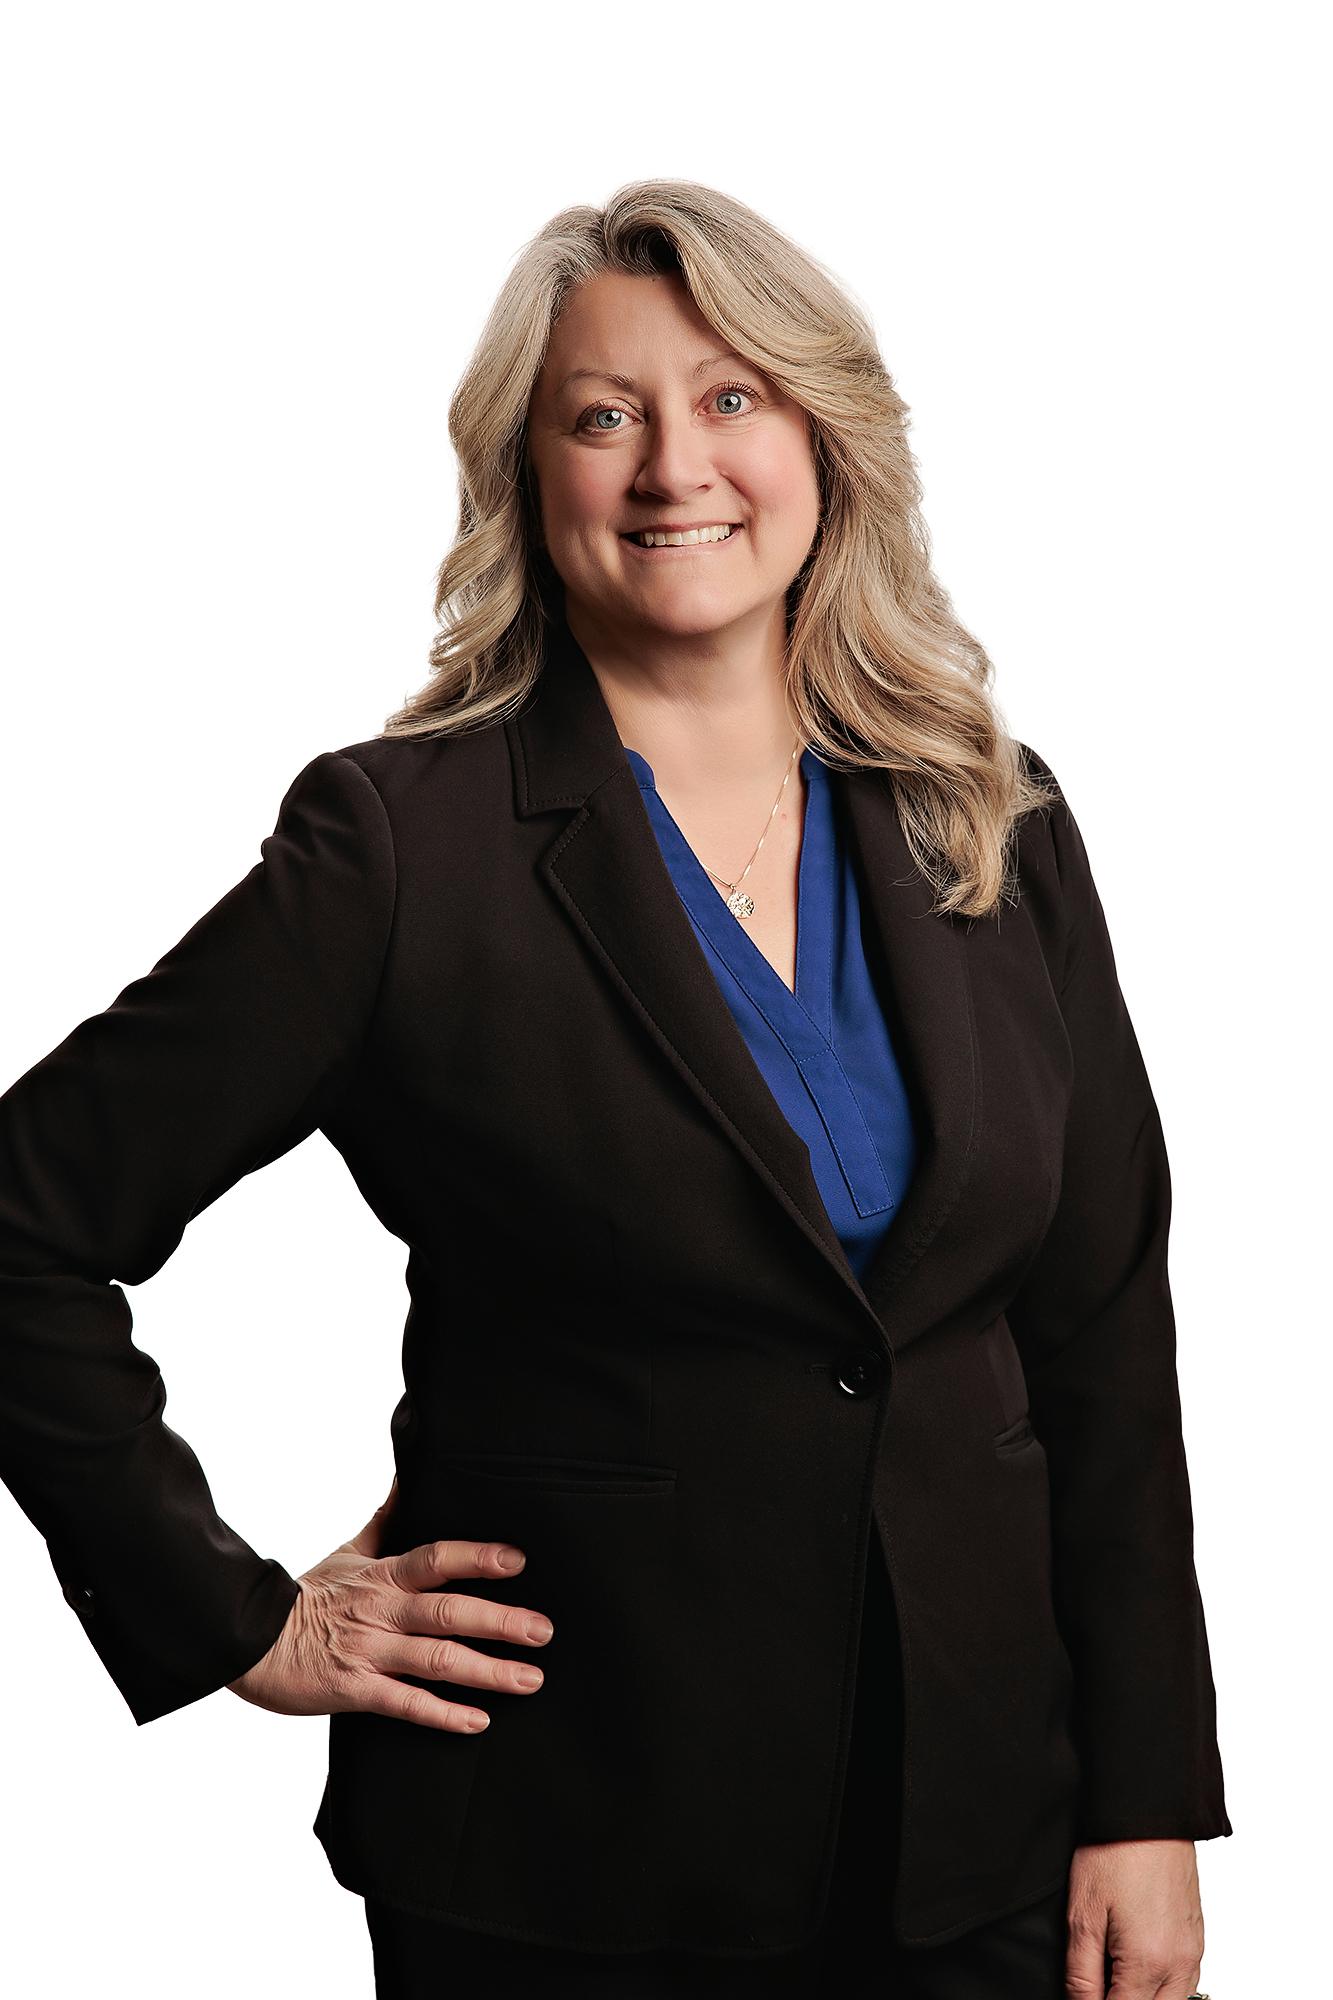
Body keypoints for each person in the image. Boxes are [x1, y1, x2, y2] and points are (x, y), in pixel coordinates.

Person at [0, 179, 1229, 1999]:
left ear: (824, 437)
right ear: (529, 474)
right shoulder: (399, 850)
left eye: (731, 398)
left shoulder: (991, 816)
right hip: (567, 1857)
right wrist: (237, 1614)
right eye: (605, 415)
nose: (676, 468)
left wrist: (1142, 1800)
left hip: (977, 1834)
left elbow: (1101, 1329)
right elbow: (23, 1225)